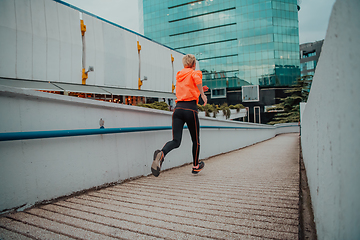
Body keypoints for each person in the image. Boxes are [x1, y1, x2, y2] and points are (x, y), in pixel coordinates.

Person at [151, 54, 207, 177]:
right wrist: (202, 94)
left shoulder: (179, 75)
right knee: (195, 140)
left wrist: (199, 90)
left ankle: (162, 153)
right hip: (190, 109)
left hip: (178, 110)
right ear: (193, 64)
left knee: (176, 141)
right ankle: (196, 166)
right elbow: (197, 79)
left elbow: (188, 88)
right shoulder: (194, 73)